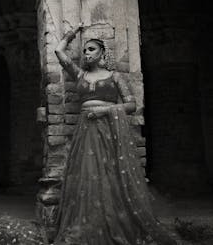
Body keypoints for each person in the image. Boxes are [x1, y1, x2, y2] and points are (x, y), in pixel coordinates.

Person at [53, 25, 177, 245]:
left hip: (109, 130)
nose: (86, 54)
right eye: (84, 51)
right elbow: (59, 52)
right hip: (86, 130)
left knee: (111, 173)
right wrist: (71, 34)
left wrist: (105, 110)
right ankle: (87, 225)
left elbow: (130, 105)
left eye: (91, 49)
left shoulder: (115, 76)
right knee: (86, 174)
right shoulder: (80, 74)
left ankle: (116, 222)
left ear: (102, 53)